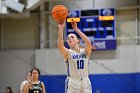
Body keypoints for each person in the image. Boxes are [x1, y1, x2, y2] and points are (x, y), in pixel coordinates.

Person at [57, 19, 93, 93]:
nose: (70, 39)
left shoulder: (85, 51)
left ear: (78, 40)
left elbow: (88, 43)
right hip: (73, 82)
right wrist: (61, 28)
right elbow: (60, 46)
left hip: (85, 80)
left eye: (72, 37)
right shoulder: (68, 52)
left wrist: (76, 29)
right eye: (68, 38)